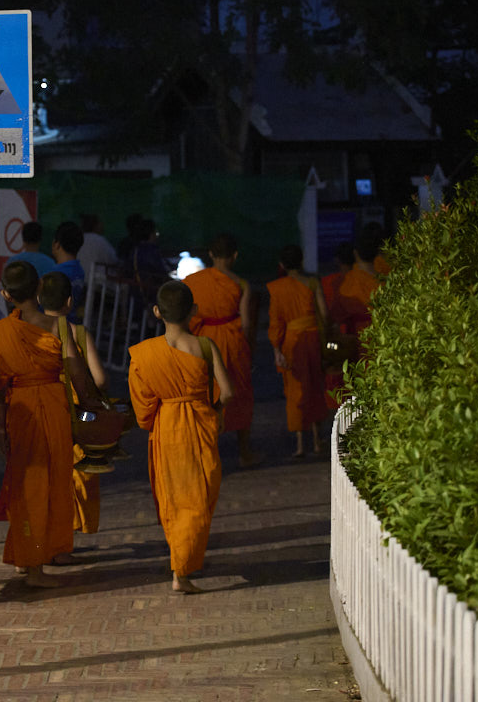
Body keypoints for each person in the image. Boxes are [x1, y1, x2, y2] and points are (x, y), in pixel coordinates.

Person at [128, 280, 234, 594]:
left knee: (174, 499)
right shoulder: (205, 346)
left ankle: (180, 565)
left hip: (167, 427)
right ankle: (181, 571)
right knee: (198, 499)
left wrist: (155, 417)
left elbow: (142, 407)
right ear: (194, 311)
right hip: (201, 425)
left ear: (157, 312)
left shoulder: (144, 354)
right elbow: (228, 392)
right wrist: (213, 409)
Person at [0, 261, 85, 587]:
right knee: (51, 484)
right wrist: (92, 408)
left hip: (21, 412)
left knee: (26, 487)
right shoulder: (59, 327)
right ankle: (35, 566)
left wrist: (0, 425)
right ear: (39, 287)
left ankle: (26, 556)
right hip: (55, 409)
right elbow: (78, 374)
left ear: (5, 295)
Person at [39, 270, 107, 537]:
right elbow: (100, 379)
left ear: (39, 299)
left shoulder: (31, 332)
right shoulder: (78, 333)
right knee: (78, 470)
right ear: (69, 302)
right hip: (79, 414)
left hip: (45, 409)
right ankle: (70, 531)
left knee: (49, 472)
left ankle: (53, 536)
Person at [183, 232, 259, 467]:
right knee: (239, 393)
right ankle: (244, 452)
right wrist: (249, 348)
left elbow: (184, 316)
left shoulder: (192, 281)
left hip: (202, 341)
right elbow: (246, 324)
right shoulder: (242, 284)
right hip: (232, 341)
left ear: (210, 254)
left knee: (205, 393)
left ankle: (205, 453)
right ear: (235, 256)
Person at [266, 244, 330, 458]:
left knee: (295, 390)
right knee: (315, 387)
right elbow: (324, 314)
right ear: (301, 261)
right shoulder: (313, 283)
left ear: (282, 265)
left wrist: (277, 349)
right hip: (313, 339)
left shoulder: (276, 288)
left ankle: (301, 444)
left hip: (292, 342)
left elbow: (276, 322)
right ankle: (317, 440)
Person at [320, 242, 355, 411]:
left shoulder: (329, 282)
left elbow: (325, 313)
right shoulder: (368, 279)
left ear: (337, 260)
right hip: (361, 334)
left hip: (337, 337)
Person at [334, 234, 382, 338]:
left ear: (355, 253)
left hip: (356, 334)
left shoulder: (348, 280)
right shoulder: (386, 281)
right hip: (382, 334)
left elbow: (338, 313)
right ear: (377, 253)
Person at [50, 220, 86, 322]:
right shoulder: (80, 272)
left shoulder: (53, 275)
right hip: (72, 326)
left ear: (56, 244)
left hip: (52, 327)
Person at [77, 213, 118, 289]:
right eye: (100, 223)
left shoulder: (77, 240)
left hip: (78, 283)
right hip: (97, 285)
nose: (102, 226)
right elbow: (113, 260)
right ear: (95, 226)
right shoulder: (100, 240)